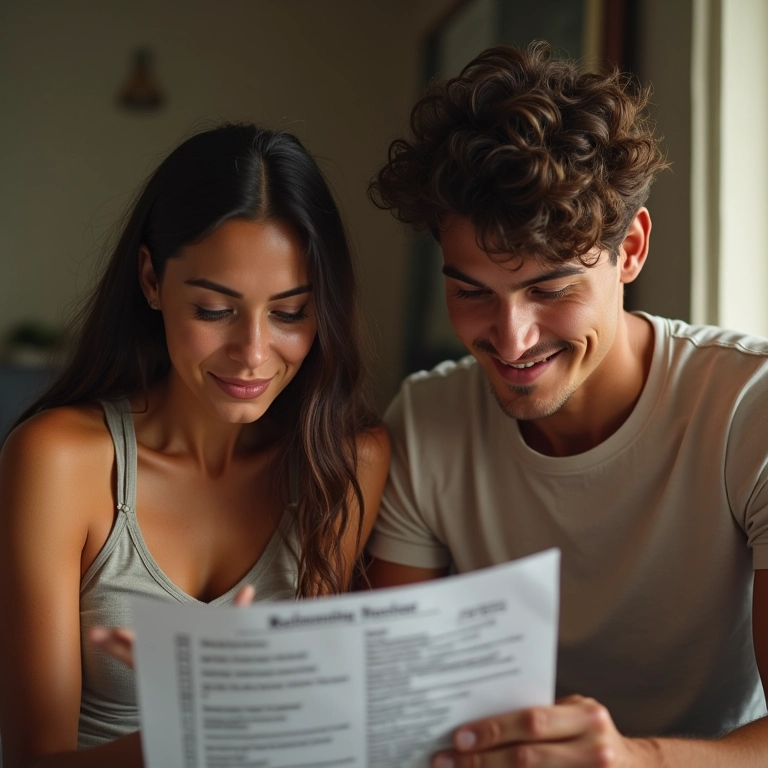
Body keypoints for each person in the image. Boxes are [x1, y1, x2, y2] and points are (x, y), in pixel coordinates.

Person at [365, 42, 768, 766]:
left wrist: (635, 759)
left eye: (551, 290)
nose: (512, 340)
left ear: (632, 250)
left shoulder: (747, 408)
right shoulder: (426, 423)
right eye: (472, 292)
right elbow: (396, 703)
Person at [0, 123, 390, 768]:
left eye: (291, 312)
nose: (254, 354)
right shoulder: (59, 459)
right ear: (151, 280)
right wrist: (207, 732)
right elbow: (32, 759)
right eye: (214, 309)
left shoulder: (348, 459)